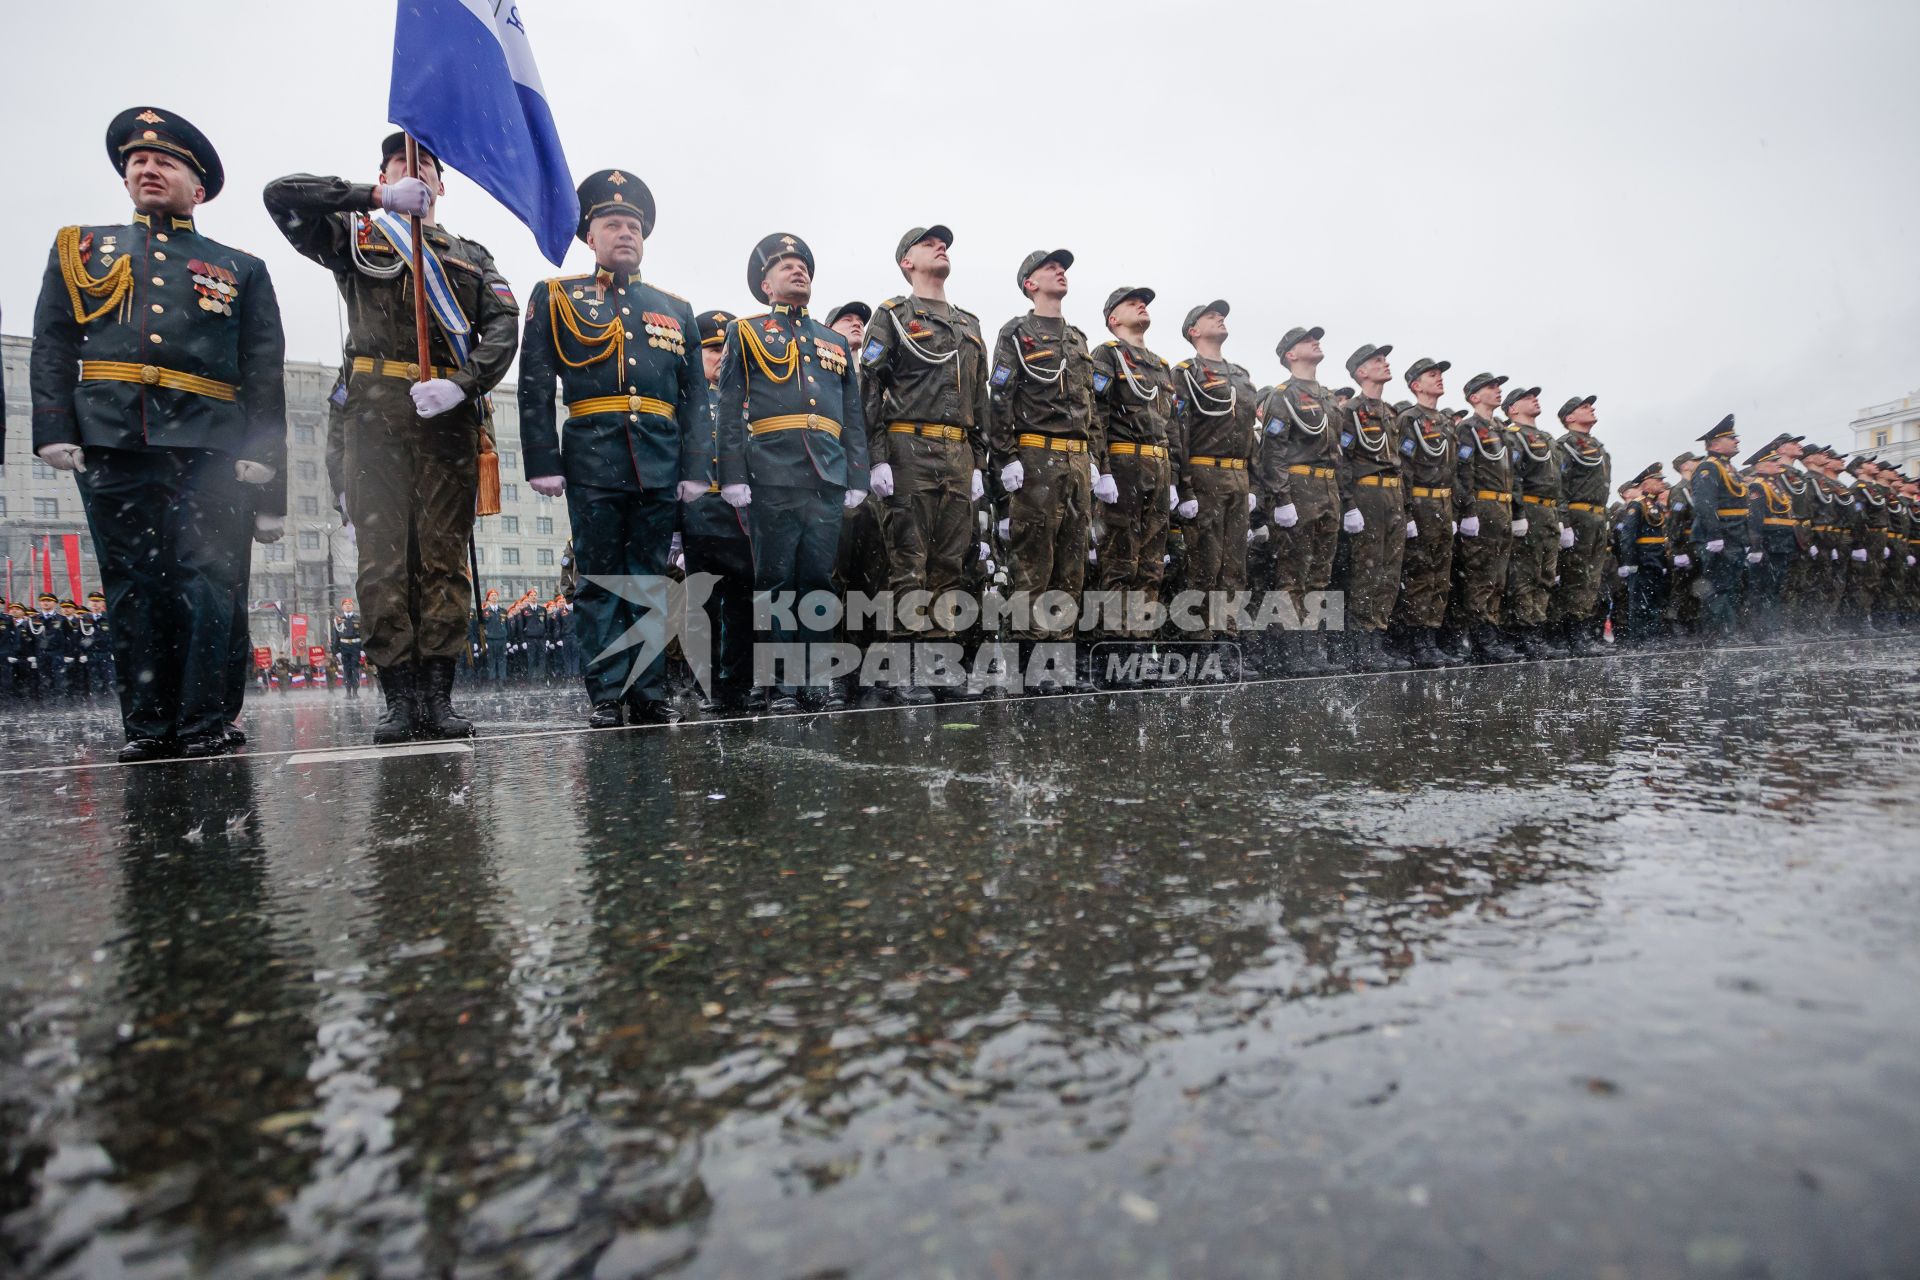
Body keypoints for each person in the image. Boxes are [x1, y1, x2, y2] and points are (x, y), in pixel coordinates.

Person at [32, 107, 286, 759]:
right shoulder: (82, 250)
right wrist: (54, 424)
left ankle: (204, 720)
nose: (149, 168)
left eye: (166, 161)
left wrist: (269, 467)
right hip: (116, 440)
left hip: (210, 449)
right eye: (138, 160)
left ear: (197, 188)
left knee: (209, 585)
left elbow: (263, 371)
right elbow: (55, 342)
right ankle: (148, 725)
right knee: (134, 587)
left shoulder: (239, 267)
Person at [265, 132, 519, 743]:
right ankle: (399, 699)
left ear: (440, 182)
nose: (416, 171)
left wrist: (463, 384)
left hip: (446, 418)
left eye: (425, 164)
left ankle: (438, 696)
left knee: (443, 563)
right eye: (401, 163)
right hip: (373, 420)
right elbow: (280, 198)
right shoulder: (356, 237)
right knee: (382, 566)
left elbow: (502, 328)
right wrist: (373, 197)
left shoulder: (470, 255)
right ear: (385, 175)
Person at [517, 169, 709, 727]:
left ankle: (647, 691)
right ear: (589, 235)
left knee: (647, 579)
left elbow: (694, 397)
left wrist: (695, 466)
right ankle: (606, 691)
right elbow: (534, 383)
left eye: (633, 225)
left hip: (657, 456)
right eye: (612, 224)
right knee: (599, 578)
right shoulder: (556, 296)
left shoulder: (674, 307)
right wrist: (541, 460)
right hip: (592, 456)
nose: (624, 233)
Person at [714, 233, 871, 714]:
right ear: (766, 284)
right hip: (772, 471)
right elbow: (727, 406)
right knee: (776, 581)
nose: (798, 270)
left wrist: (857, 476)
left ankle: (817, 679)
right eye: (785, 266)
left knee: (818, 581)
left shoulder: (833, 342)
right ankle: (781, 683)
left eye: (802, 264)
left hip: (826, 473)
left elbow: (852, 413)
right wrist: (732, 473)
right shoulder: (746, 331)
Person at [860, 228, 992, 703]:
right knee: (908, 559)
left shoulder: (970, 323)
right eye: (929, 243)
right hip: (906, 446)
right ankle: (905, 664)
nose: (942, 247)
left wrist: (979, 461)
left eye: (945, 243)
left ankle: (941, 662)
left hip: (957, 451)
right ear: (906, 262)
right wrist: (875, 457)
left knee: (950, 561)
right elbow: (870, 388)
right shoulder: (893, 315)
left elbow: (982, 399)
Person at [989, 249, 1102, 694]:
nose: (1061, 272)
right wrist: (1005, 456)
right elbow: (999, 395)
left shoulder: (1077, 338)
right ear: (1029, 283)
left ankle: (1060, 660)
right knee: (1033, 562)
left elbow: (1090, 407)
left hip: (1076, 459)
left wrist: (1094, 459)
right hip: (1036, 454)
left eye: (1064, 268)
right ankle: (1026, 665)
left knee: (1071, 565)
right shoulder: (1017, 332)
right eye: (1050, 267)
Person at [1089, 287, 1177, 655]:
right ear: (1113, 318)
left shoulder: (1160, 365)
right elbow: (1097, 414)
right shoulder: (1107, 355)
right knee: (1120, 558)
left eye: (1144, 302)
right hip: (1124, 463)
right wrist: (1103, 467)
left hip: (1158, 466)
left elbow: (1170, 427)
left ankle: (1141, 643)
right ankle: (1115, 647)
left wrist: (1172, 479)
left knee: (1152, 561)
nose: (1142, 305)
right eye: (1132, 303)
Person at [1254, 325, 1344, 673]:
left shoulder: (1327, 396)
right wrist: (1282, 498)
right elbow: (1272, 452)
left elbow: (1336, 451)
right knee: (1293, 574)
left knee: (1321, 574)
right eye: (1306, 340)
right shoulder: (1283, 395)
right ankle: (1290, 650)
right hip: (1299, 487)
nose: (1315, 342)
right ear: (1290, 354)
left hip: (1326, 488)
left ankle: (1315, 647)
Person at [682, 309, 756, 713]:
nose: (722, 356)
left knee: (744, 604)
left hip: (742, 517)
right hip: (700, 514)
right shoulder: (687, 401)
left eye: (728, 349)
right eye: (713, 349)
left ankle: (738, 681)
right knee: (702, 608)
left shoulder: (750, 401)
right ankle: (705, 680)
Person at [1333, 343, 1408, 672]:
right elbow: (1343, 460)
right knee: (1367, 570)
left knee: (1390, 572)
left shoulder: (1391, 412)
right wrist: (1349, 504)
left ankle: (1378, 636)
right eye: (1377, 361)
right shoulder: (1350, 411)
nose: (1385, 364)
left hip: (1392, 496)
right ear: (1361, 372)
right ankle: (1360, 644)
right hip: (1367, 494)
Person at [1391, 358, 1464, 668]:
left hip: (1444, 503)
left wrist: (1457, 510)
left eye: (1440, 375)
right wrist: (1407, 511)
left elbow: (1453, 470)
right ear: (1415, 385)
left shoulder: (1446, 423)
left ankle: (1432, 636)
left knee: (1440, 575)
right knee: (1420, 573)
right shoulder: (1409, 419)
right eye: (1431, 375)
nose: (1439, 379)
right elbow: (1404, 469)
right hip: (1421, 501)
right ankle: (1416, 639)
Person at [1451, 373, 1523, 662]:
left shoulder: (1503, 431)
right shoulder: (1468, 428)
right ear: (1474, 397)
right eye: (1490, 387)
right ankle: (1482, 637)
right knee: (1480, 574)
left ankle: (1492, 629)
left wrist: (1518, 512)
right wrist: (1468, 510)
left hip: (1503, 507)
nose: (1498, 391)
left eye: (1498, 387)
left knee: (1499, 576)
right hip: (1483, 506)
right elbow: (1462, 471)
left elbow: (1513, 475)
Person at [1501, 385, 1566, 658]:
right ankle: (1523, 631)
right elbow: (1513, 477)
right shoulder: (1512, 436)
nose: (1534, 399)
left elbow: (1559, 483)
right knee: (1524, 573)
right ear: (1512, 408)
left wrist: (1561, 517)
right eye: (1527, 398)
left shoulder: (1548, 438)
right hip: (1530, 508)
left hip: (1549, 511)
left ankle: (1538, 626)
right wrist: (1518, 513)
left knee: (1546, 574)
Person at [1549, 395, 1611, 654]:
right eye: (1584, 407)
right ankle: (1570, 633)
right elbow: (1559, 486)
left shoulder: (1598, 447)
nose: (1591, 409)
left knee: (1592, 578)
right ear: (1569, 417)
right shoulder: (1565, 445)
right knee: (1575, 576)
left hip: (1597, 516)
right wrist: (1565, 522)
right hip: (1578, 515)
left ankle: (1584, 630)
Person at [1688, 414, 1752, 635]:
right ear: (1715, 443)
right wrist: (1714, 535)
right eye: (1731, 437)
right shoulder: (1709, 467)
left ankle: (1728, 630)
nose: (1737, 441)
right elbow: (1705, 505)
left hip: (1734, 534)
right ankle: (1717, 634)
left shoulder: (1728, 468)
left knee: (1731, 585)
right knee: (1718, 586)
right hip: (1719, 535)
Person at [1615, 464, 1670, 646]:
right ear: (1646, 484)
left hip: (1656, 558)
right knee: (1639, 601)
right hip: (1642, 559)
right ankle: (1638, 637)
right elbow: (1628, 536)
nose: (1662, 482)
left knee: (1654, 599)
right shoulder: (1636, 506)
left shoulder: (1656, 505)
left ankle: (1652, 635)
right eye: (1658, 480)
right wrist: (1629, 561)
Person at [333, 597, 364, 697]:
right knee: (346, 669)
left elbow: (363, 634)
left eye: (350, 605)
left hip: (356, 647)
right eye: (346, 605)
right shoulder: (338, 620)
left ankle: (355, 691)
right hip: (344, 647)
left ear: (353, 607)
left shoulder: (358, 619)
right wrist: (336, 651)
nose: (348, 606)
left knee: (355, 668)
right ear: (342, 607)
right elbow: (335, 637)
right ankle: (348, 691)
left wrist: (363, 649)